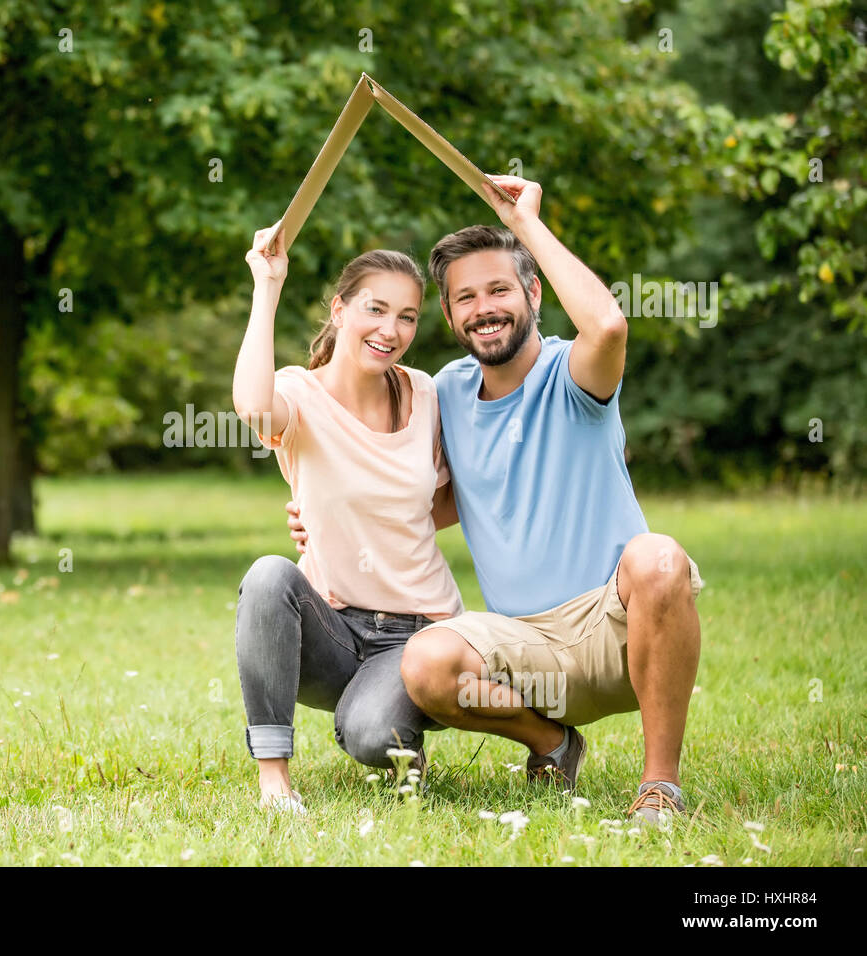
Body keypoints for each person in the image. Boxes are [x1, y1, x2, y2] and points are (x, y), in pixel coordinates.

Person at [287, 175, 705, 826]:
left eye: (499, 290)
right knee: (424, 662)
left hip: (613, 632)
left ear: (532, 294)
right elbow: (432, 501)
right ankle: (552, 744)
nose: (484, 308)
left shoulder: (574, 375)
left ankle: (659, 788)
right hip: (519, 647)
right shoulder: (446, 393)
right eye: (465, 298)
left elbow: (610, 325)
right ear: (451, 317)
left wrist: (526, 224)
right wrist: (329, 521)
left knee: (658, 559)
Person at [232, 220, 463, 814]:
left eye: (408, 316)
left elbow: (442, 502)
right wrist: (268, 284)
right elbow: (252, 406)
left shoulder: (425, 394)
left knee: (369, 738)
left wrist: (359, 525)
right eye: (376, 309)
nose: (391, 329)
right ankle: (274, 781)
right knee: (266, 576)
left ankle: (390, 722)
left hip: (418, 632)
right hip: (332, 628)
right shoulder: (298, 396)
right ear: (339, 310)